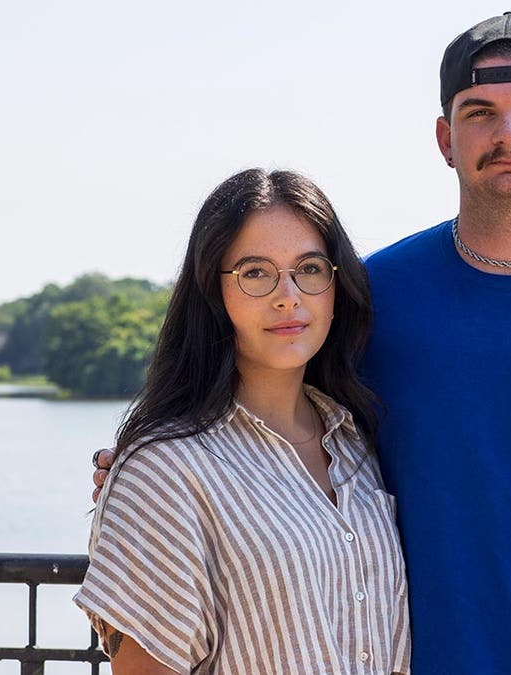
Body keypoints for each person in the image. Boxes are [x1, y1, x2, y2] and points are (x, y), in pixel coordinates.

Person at [94, 13, 511, 673]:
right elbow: (264, 416)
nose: (508, 133)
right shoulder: (369, 298)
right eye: (479, 112)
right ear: (444, 139)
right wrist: (146, 474)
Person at [76, 168, 410, 674]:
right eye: (255, 273)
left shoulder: (358, 446)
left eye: (310, 268)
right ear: (214, 291)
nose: (288, 295)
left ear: (336, 286)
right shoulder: (165, 469)